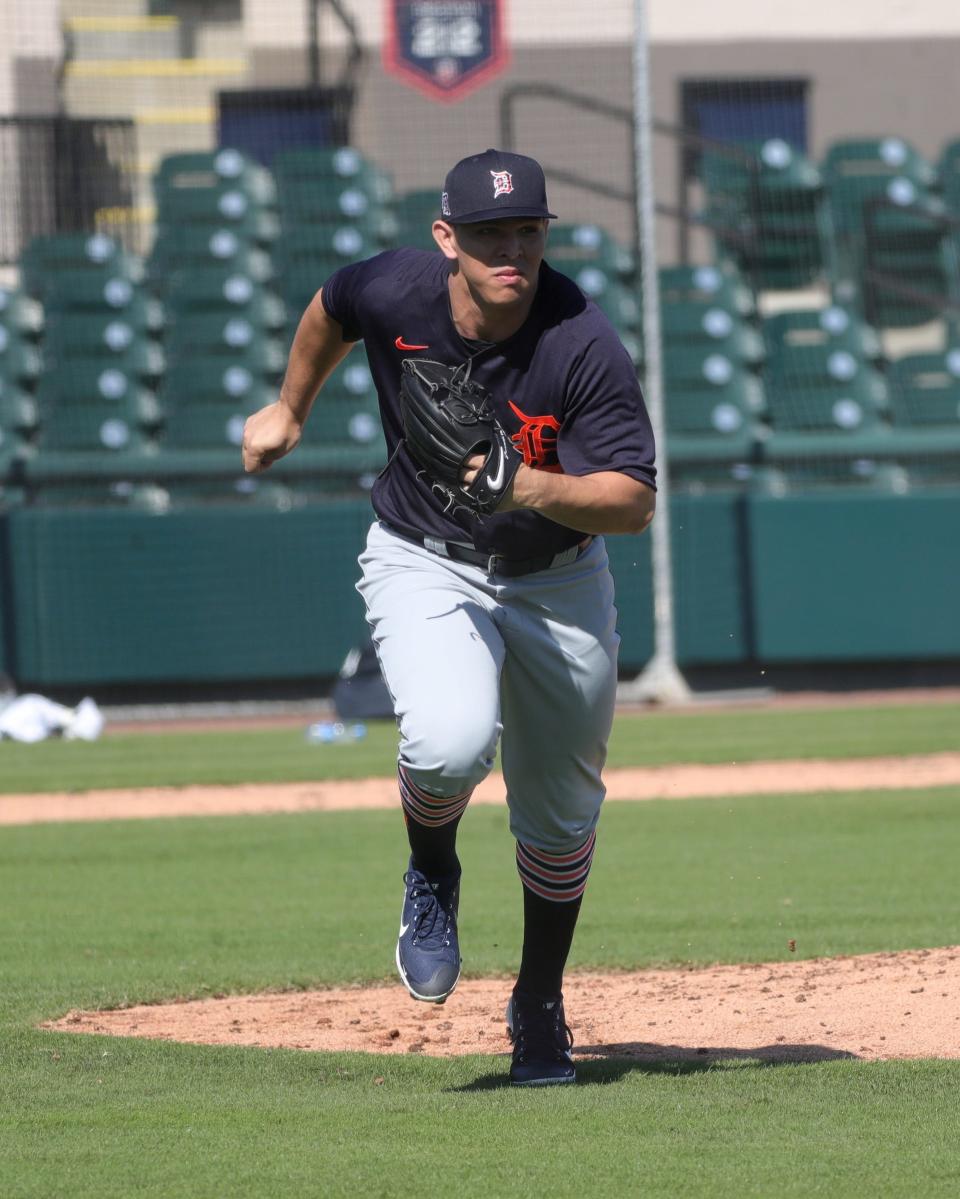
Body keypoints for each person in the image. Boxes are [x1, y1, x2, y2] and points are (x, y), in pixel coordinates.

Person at [242, 148, 657, 1086]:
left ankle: (539, 1000)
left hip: (558, 580)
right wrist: (288, 407)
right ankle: (433, 868)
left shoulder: (580, 337)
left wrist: (535, 485)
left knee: (559, 818)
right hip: (422, 556)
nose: (511, 248)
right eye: (488, 233)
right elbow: (331, 307)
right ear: (447, 239)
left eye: (528, 230)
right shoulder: (396, 289)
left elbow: (633, 499)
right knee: (447, 742)